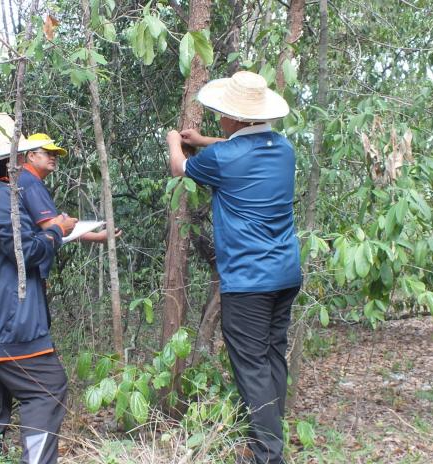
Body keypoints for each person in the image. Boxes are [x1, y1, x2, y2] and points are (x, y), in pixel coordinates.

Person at [166, 71, 302, 464]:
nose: (219, 118)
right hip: (285, 273)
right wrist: (204, 142)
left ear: (234, 118)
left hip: (249, 280)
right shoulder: (284, 148)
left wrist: (177, 142)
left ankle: (266, 454)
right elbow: (238, 148)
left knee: (251, 364)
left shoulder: (222, 159)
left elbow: (181, 168)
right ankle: (272, 435)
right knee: (273, 355)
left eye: (223, 113)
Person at [0, 113, 78, 463]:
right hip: (3, 323)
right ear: (8, 158)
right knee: (47, 389)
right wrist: (57, 231)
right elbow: (28, 254)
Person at [19, 133, 121, 242]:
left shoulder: (23, 177)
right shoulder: (31, 182)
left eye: (55, 154)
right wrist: (96, 237)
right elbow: (52, 228)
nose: (53, 157)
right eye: (48, 153)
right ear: (31, 156)